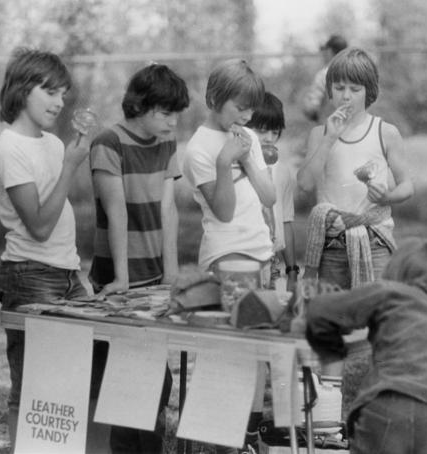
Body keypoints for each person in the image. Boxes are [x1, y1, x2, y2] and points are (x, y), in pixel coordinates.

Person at [0, 48, 90, 452]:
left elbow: (58, 212)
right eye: (50, 91)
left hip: (66, 273)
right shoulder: (8, 148)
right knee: (35, 389)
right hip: (29, 275)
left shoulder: (50, 143)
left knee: (79, 380)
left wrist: (68, 156)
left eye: (63, 93)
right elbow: (40, 226)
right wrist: (70, 166)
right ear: (22, 90)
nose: (60, 102)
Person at [305, 237, 427, 454]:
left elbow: (319, 309)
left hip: (386, 408)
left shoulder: (387, 292)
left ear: (395, 273)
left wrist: (334, 349)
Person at [88, 63, 190, 453]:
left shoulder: (166, 144)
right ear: (140, 106)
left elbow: (168, 211)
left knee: (154, 384)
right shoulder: (107, 142)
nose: (172, 122)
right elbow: (116, 212)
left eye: (176, 114)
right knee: (128, 382)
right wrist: (122, 279)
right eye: (166, 113)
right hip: (117, 277)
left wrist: (171, 270)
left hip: (153, 275)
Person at [180, 58, 275, 454]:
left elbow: (269, 196)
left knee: (256, 346)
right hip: (229, 251)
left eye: (251, 108)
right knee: (232, 346)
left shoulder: (246, 136)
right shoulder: (199, 149)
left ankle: (248, 435)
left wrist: (247, 153)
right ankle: (224, 437)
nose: (247, 115)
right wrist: (225, 161)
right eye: (240, 107)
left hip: (260, 248)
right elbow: (222, 210)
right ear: (215, 100)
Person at [297, 47, 414, 291]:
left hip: (375, 243)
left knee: (377, 310)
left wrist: (387, 197)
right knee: (333, 312)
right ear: (329, 91)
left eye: (355, 89)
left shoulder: (385, 132)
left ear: (369, 92)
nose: (346, 96)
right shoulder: (319, 134)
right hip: (331, 245)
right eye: (339, 88)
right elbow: (305, 183)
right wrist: (329, 139)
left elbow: (407, 186)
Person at [246, 91, 299, 294]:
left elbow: (286, 220)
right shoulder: (237, 167)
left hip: (272, 260)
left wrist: (292, 269)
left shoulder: (282, 171)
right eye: (261, 131)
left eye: (275, 132)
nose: (269, 139)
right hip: (243, 258)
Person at [302, 34, 348, 123]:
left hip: (330, 129)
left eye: (325, 51)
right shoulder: (357, 73)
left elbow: (312, 107)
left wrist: (306, 107)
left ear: (330, 51)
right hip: (355, 130)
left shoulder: (324, 74)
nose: (323, 54)